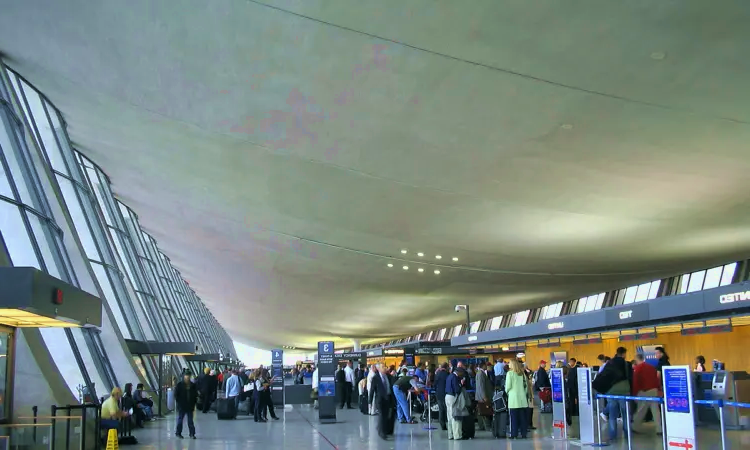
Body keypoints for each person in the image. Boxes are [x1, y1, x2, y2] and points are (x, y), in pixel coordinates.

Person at [596, 347, 630, 442]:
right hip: (623, 391)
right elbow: (629, 377)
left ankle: (612, 435)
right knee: (625, 413)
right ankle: (627, 434)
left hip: (611, 391)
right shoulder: (626, 364)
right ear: (624, 354)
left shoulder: (609, 363)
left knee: (612, 414)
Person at [631, 354, 662, 435]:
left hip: (644, 391)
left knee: (641, 410)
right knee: (656, 411)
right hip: (654, 390)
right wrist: (658, 390)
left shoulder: (638, 368)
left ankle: (635, 426)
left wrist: (634, 393)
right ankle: (659, 429)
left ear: (637, 359)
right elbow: (657, 379)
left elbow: (636, 382)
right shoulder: (651, 367)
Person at [369, 364, 395, 440]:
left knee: (386, 416)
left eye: (385, 366)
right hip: (380, 400)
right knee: (382, 416)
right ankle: (382, 433)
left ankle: (383, 429)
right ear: (379, 369)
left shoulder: (388, 376)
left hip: (388, 398)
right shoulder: (375, 378)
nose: (385, 368)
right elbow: (372, 390)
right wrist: (370, 401)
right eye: (383, 367)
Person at [505, 359, 529, 439]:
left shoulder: (510, 374)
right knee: (523, 418)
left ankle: (514, 434)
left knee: (513, 418)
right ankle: (524, 434)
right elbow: (526, 387)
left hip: (513, 399)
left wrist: (507, 392)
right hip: (522, 399)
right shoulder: (522, 374)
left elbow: (508, 386)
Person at [174, 370, 198, 439]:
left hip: (190, 406)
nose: (187, 377)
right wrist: (179, 402)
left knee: (190, 421)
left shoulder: (193, 385)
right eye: (186, 376)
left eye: (188, 376)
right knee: (180, 420)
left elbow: (195, 395)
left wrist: (194, 403)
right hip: (182, 406)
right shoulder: (179, 385)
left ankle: (192, 434)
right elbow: (176, 395)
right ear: (184, 376)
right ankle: (178, 433)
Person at [445, 366, 463, 440]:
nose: (461, 374)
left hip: (447, 396)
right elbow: (457, 389)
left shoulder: (449, 376)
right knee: (455, 416)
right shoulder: (455, 377)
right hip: (453, 397)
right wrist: (461, 384)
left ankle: (450, 434)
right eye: (461, 373)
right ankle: (457, 435)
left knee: (449, 417)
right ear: (458, 372)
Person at [474, 362, 493, 431]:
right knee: (485, 411)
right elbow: (481, 386)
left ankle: (481, 426)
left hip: (480, 396)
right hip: (482, 397)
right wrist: (484, 396)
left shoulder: (480, 373)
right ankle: (486, 426)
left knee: (481, 411)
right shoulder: (481, 374)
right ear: (484, 366)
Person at [434, 362, 449, 431]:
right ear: (446, 367)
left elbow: (435, 384)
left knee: (441, 410)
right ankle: (448, 424)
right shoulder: (447, 374)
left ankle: (442, 425)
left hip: (438, 394)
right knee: (447, 409)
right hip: (445, 394)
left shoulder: (437, 374)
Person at [566, 358, 578, 426]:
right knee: (571, 400)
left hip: (573, 387)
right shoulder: (570, 369)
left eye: (571, 362)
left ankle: (574, 412)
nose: (570, 363)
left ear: (574, 362)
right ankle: (573, 412)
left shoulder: (575, 369)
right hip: (571, 387)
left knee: (574, 400)